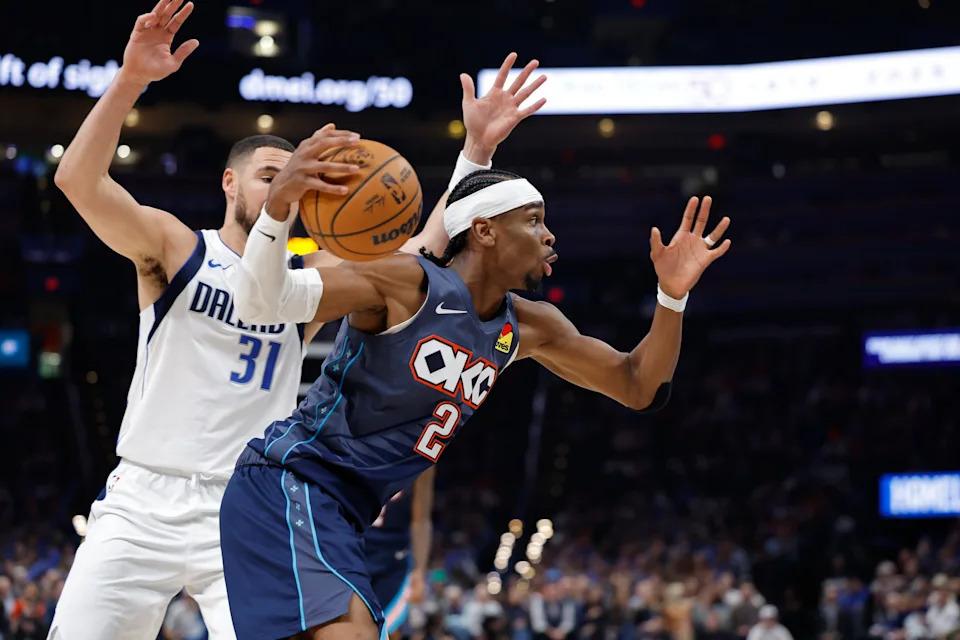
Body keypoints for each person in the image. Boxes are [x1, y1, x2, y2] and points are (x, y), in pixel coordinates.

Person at [48, 0, 547, 637]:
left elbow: (424, 251)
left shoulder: (304, 285)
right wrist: (129, 81)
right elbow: (79, 182)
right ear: (229, 183)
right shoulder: (177, 247)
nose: (280, 186)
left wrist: (476, 150)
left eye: (291, 178)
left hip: (245, 502)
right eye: (265, 176)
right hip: (143, 497)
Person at [218, 56, 732, 639]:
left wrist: (671, 299)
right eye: (534, 220)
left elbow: (640, 386)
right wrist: (280, 209)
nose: (550, 234)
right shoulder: (402, 282)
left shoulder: (530, 326)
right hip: (289, 484)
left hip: (343, 512)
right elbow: (261, 303)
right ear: (485, 231)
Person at [364, 467, 436, 638]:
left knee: (385, 631)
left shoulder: (423, 452)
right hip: (351, 548)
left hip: (392, 558)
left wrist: (420, 570)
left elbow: (421, 520)